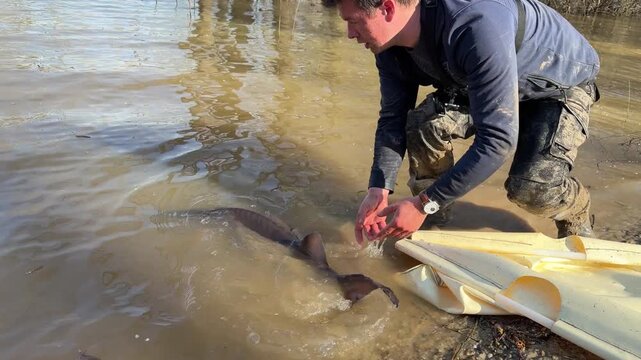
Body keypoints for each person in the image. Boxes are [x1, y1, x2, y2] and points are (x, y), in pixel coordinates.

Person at [321, 0, 601, 244]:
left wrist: (423, 205)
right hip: (479, 80)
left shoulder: (475, 23)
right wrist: (378, 189)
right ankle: (433, 218)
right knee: (423, 125)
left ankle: (576, 209)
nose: (350, 34)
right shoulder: (389, 46)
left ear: (388, 7)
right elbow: (392, 119)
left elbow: (497, 142)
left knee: (530, 189)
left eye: (353, 22)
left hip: (556, 86)